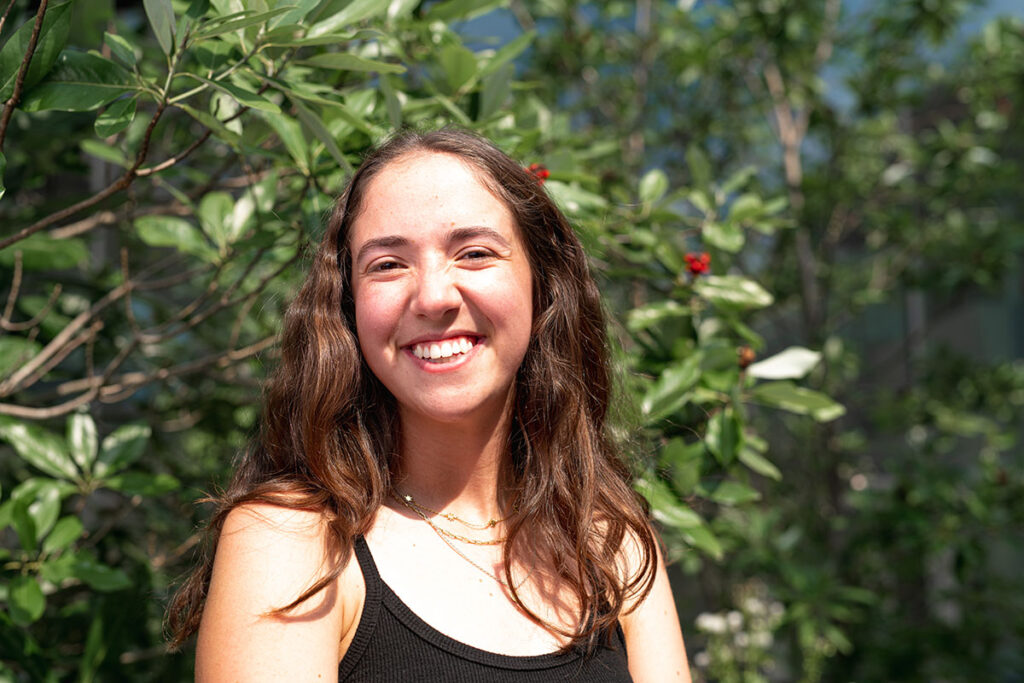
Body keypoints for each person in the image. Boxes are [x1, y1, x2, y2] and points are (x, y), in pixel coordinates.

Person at [166, 128, 691, 682]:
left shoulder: (611, 546)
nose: (434, 296)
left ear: (543, 286)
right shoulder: (294, 543)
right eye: (388, 264)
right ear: (348, 307)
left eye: (475, 253)